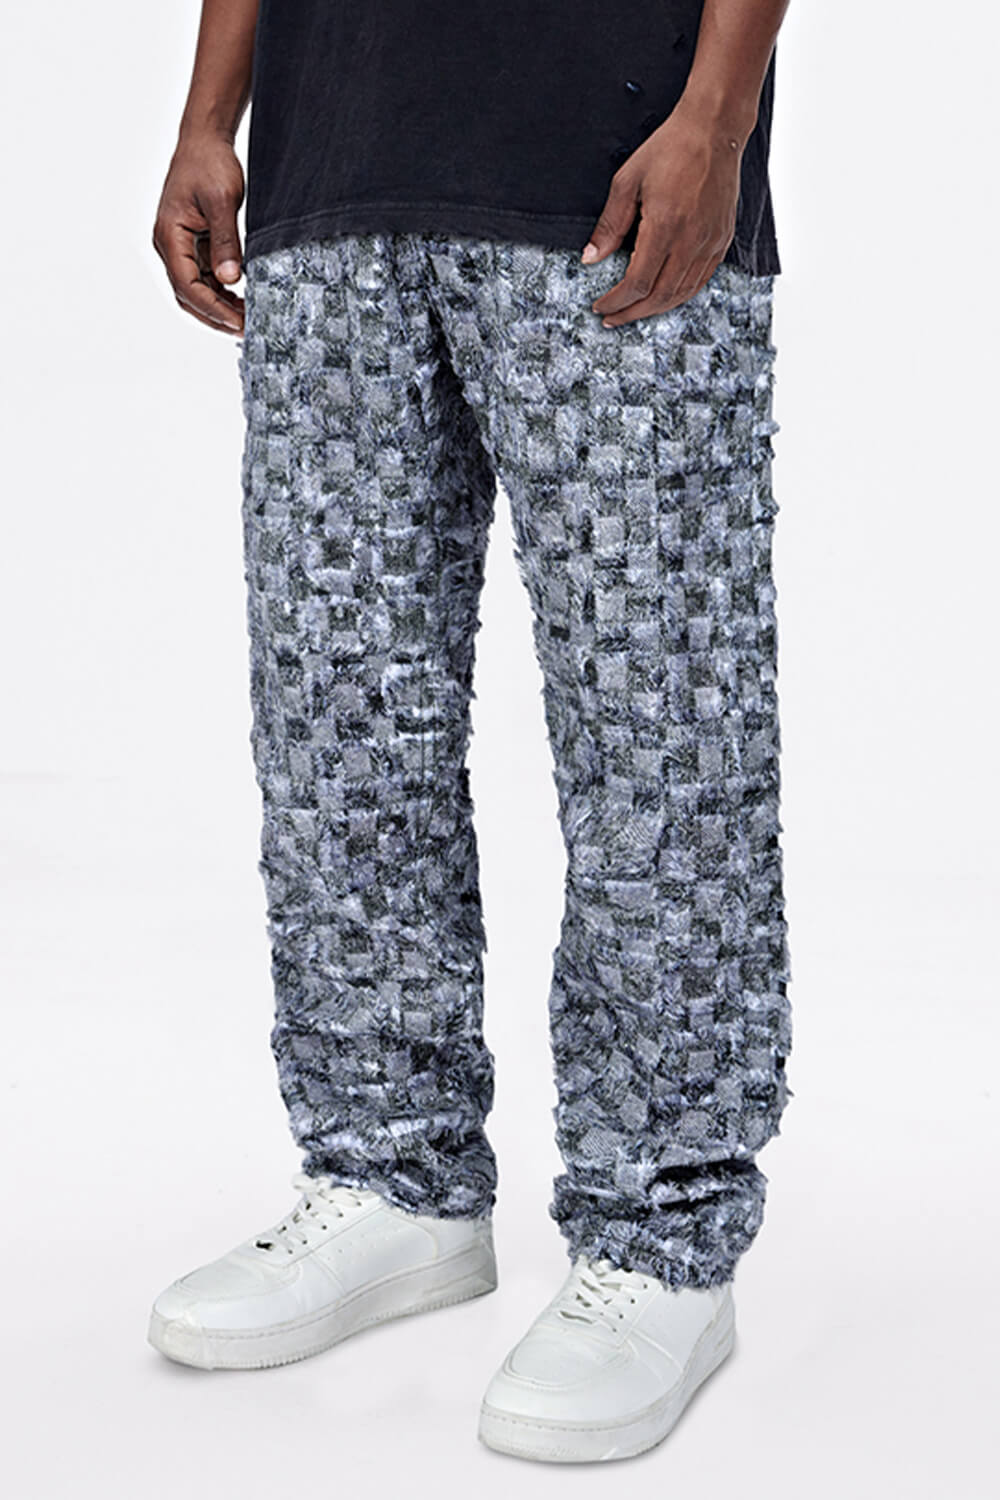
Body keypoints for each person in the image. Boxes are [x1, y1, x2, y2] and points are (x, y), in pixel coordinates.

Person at [149, 0, 795, 1464]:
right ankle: (394, 1176)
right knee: (337, 727)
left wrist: (718, 115)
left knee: (660, 735)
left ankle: (665, 1240)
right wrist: (206, 117)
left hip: (613, 173)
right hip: (331, 177)